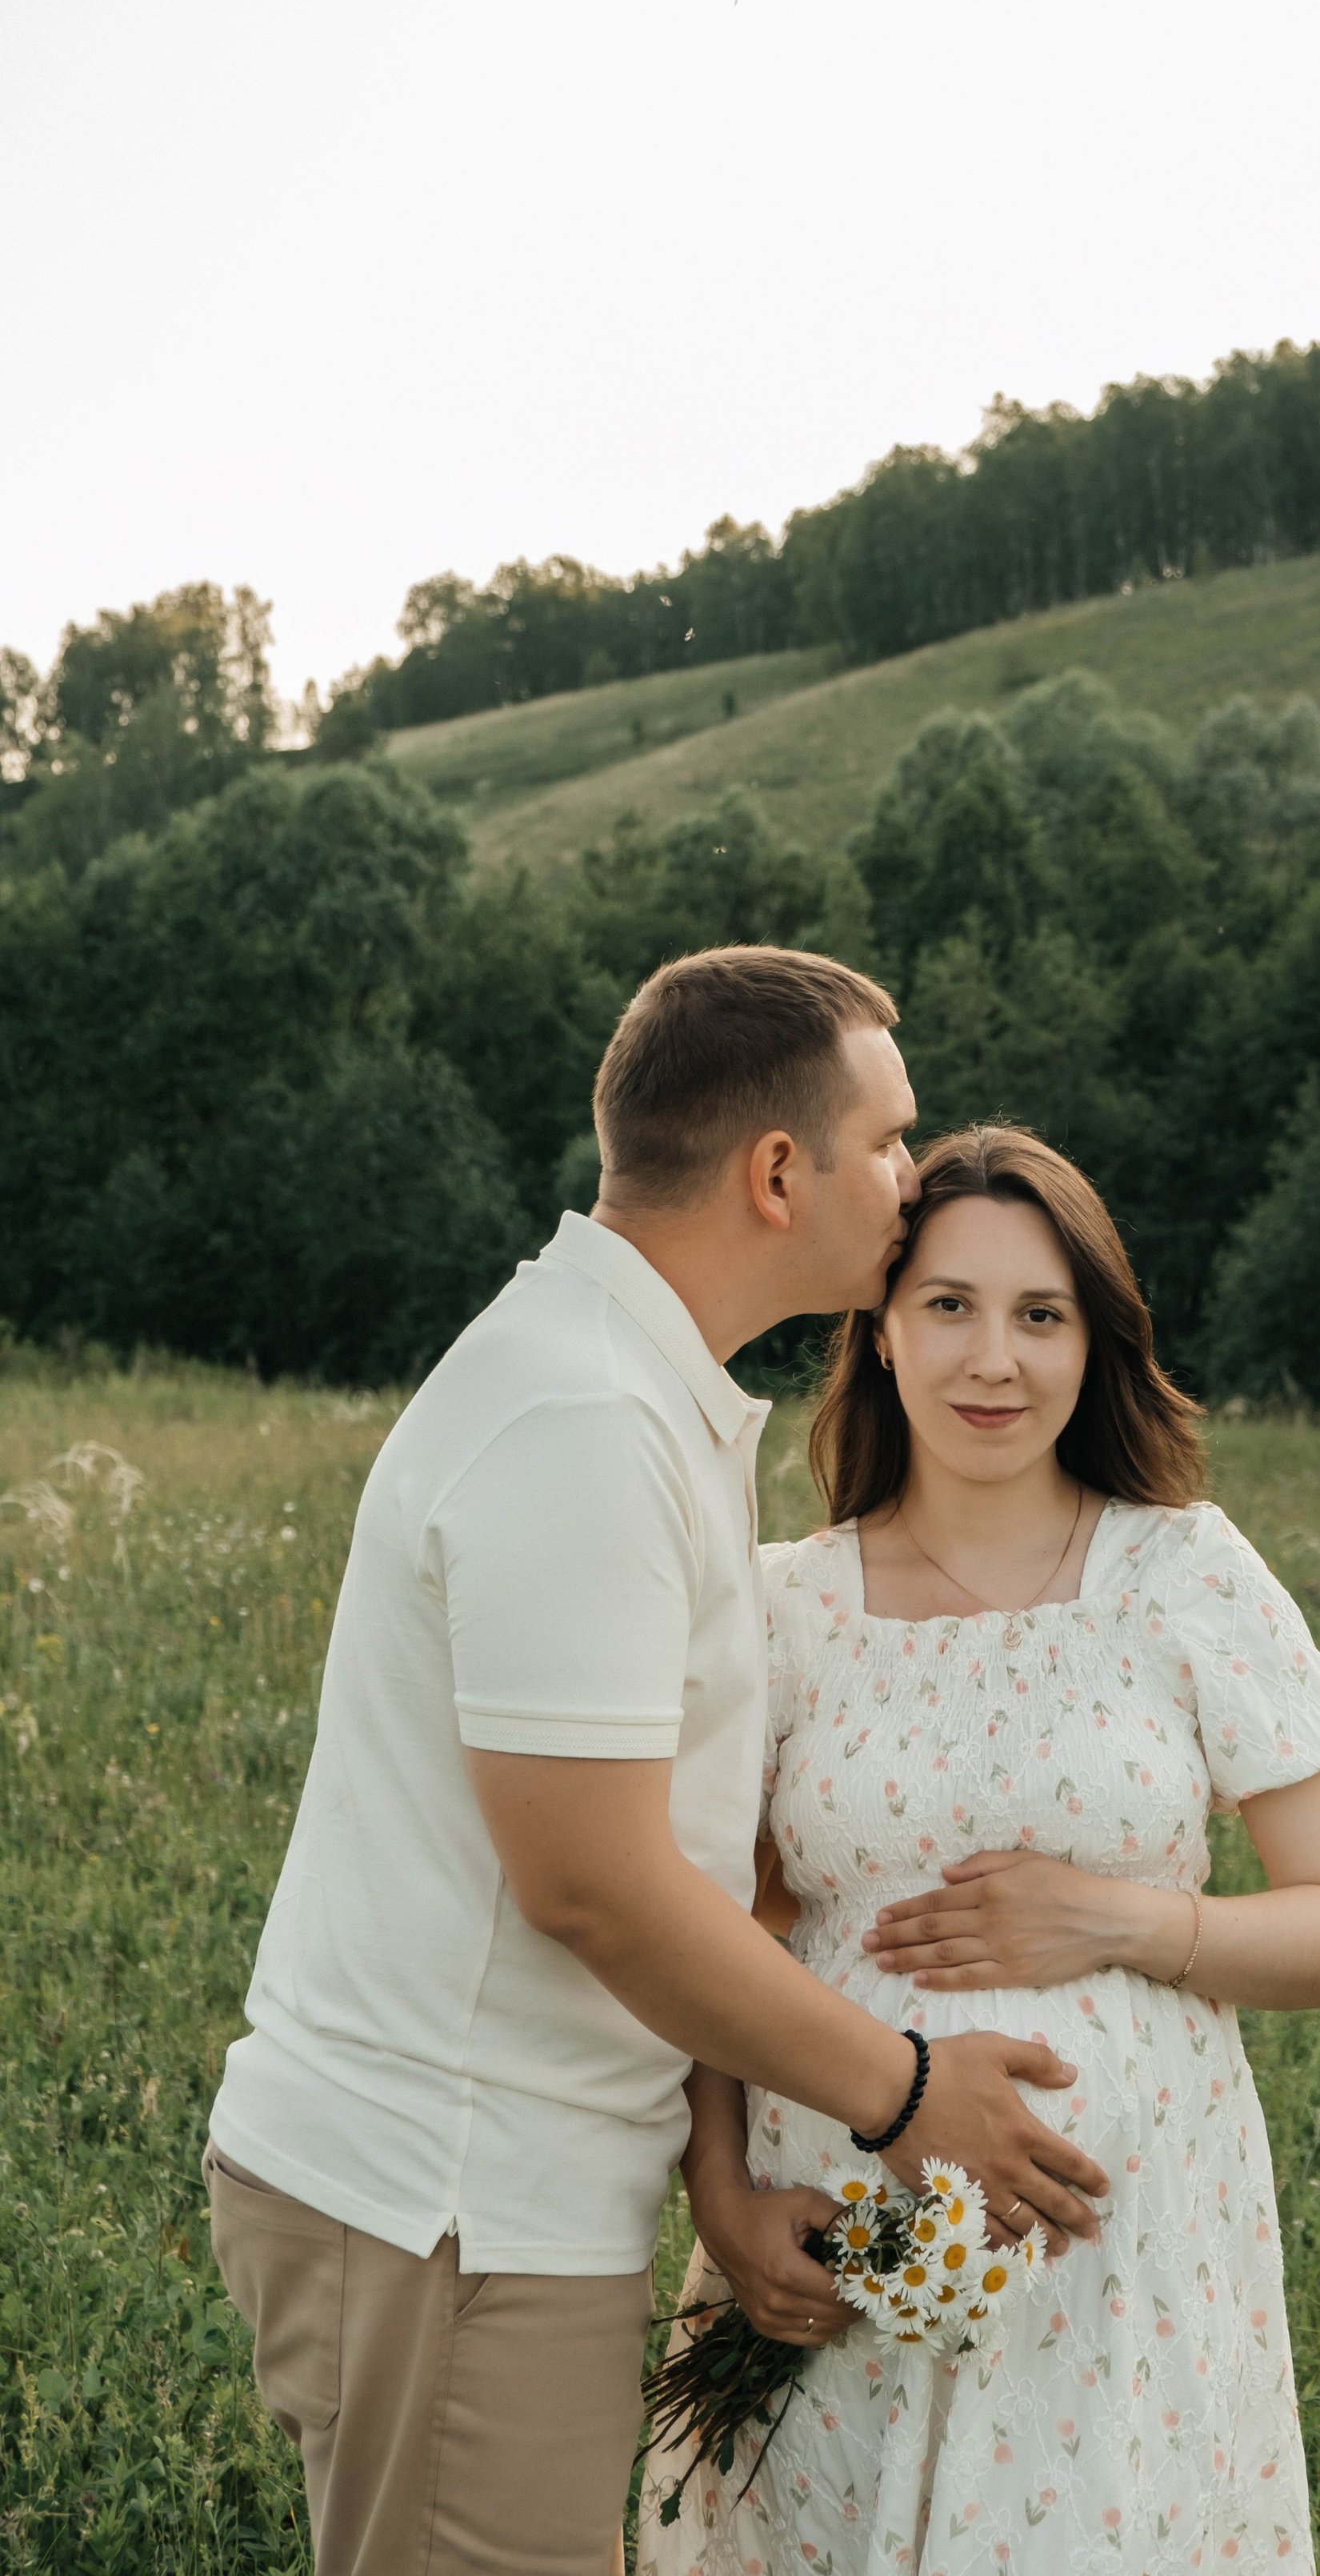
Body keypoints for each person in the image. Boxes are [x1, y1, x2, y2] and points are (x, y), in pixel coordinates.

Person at [204, 952, 1110, 2576]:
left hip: (495, 2197)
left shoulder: (626, 1389)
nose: (912, 1183)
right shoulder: (582, 1421)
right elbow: (598, 1889)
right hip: (446, 2203)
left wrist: (713, 2172)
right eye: (888, 1143)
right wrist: (899, 2091)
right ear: (778, 1174)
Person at [645, 1122, 1320, 2576]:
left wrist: (1114, 1922)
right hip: (842, 2229)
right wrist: (723, 2198)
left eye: (1041, 1315)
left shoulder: (1185, 1573)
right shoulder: (784, 1605)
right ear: (880, 1326)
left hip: (1125, 2268)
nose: (996, 1360)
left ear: (1094, 1341)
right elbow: (714, 1929)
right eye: (952, 1306)